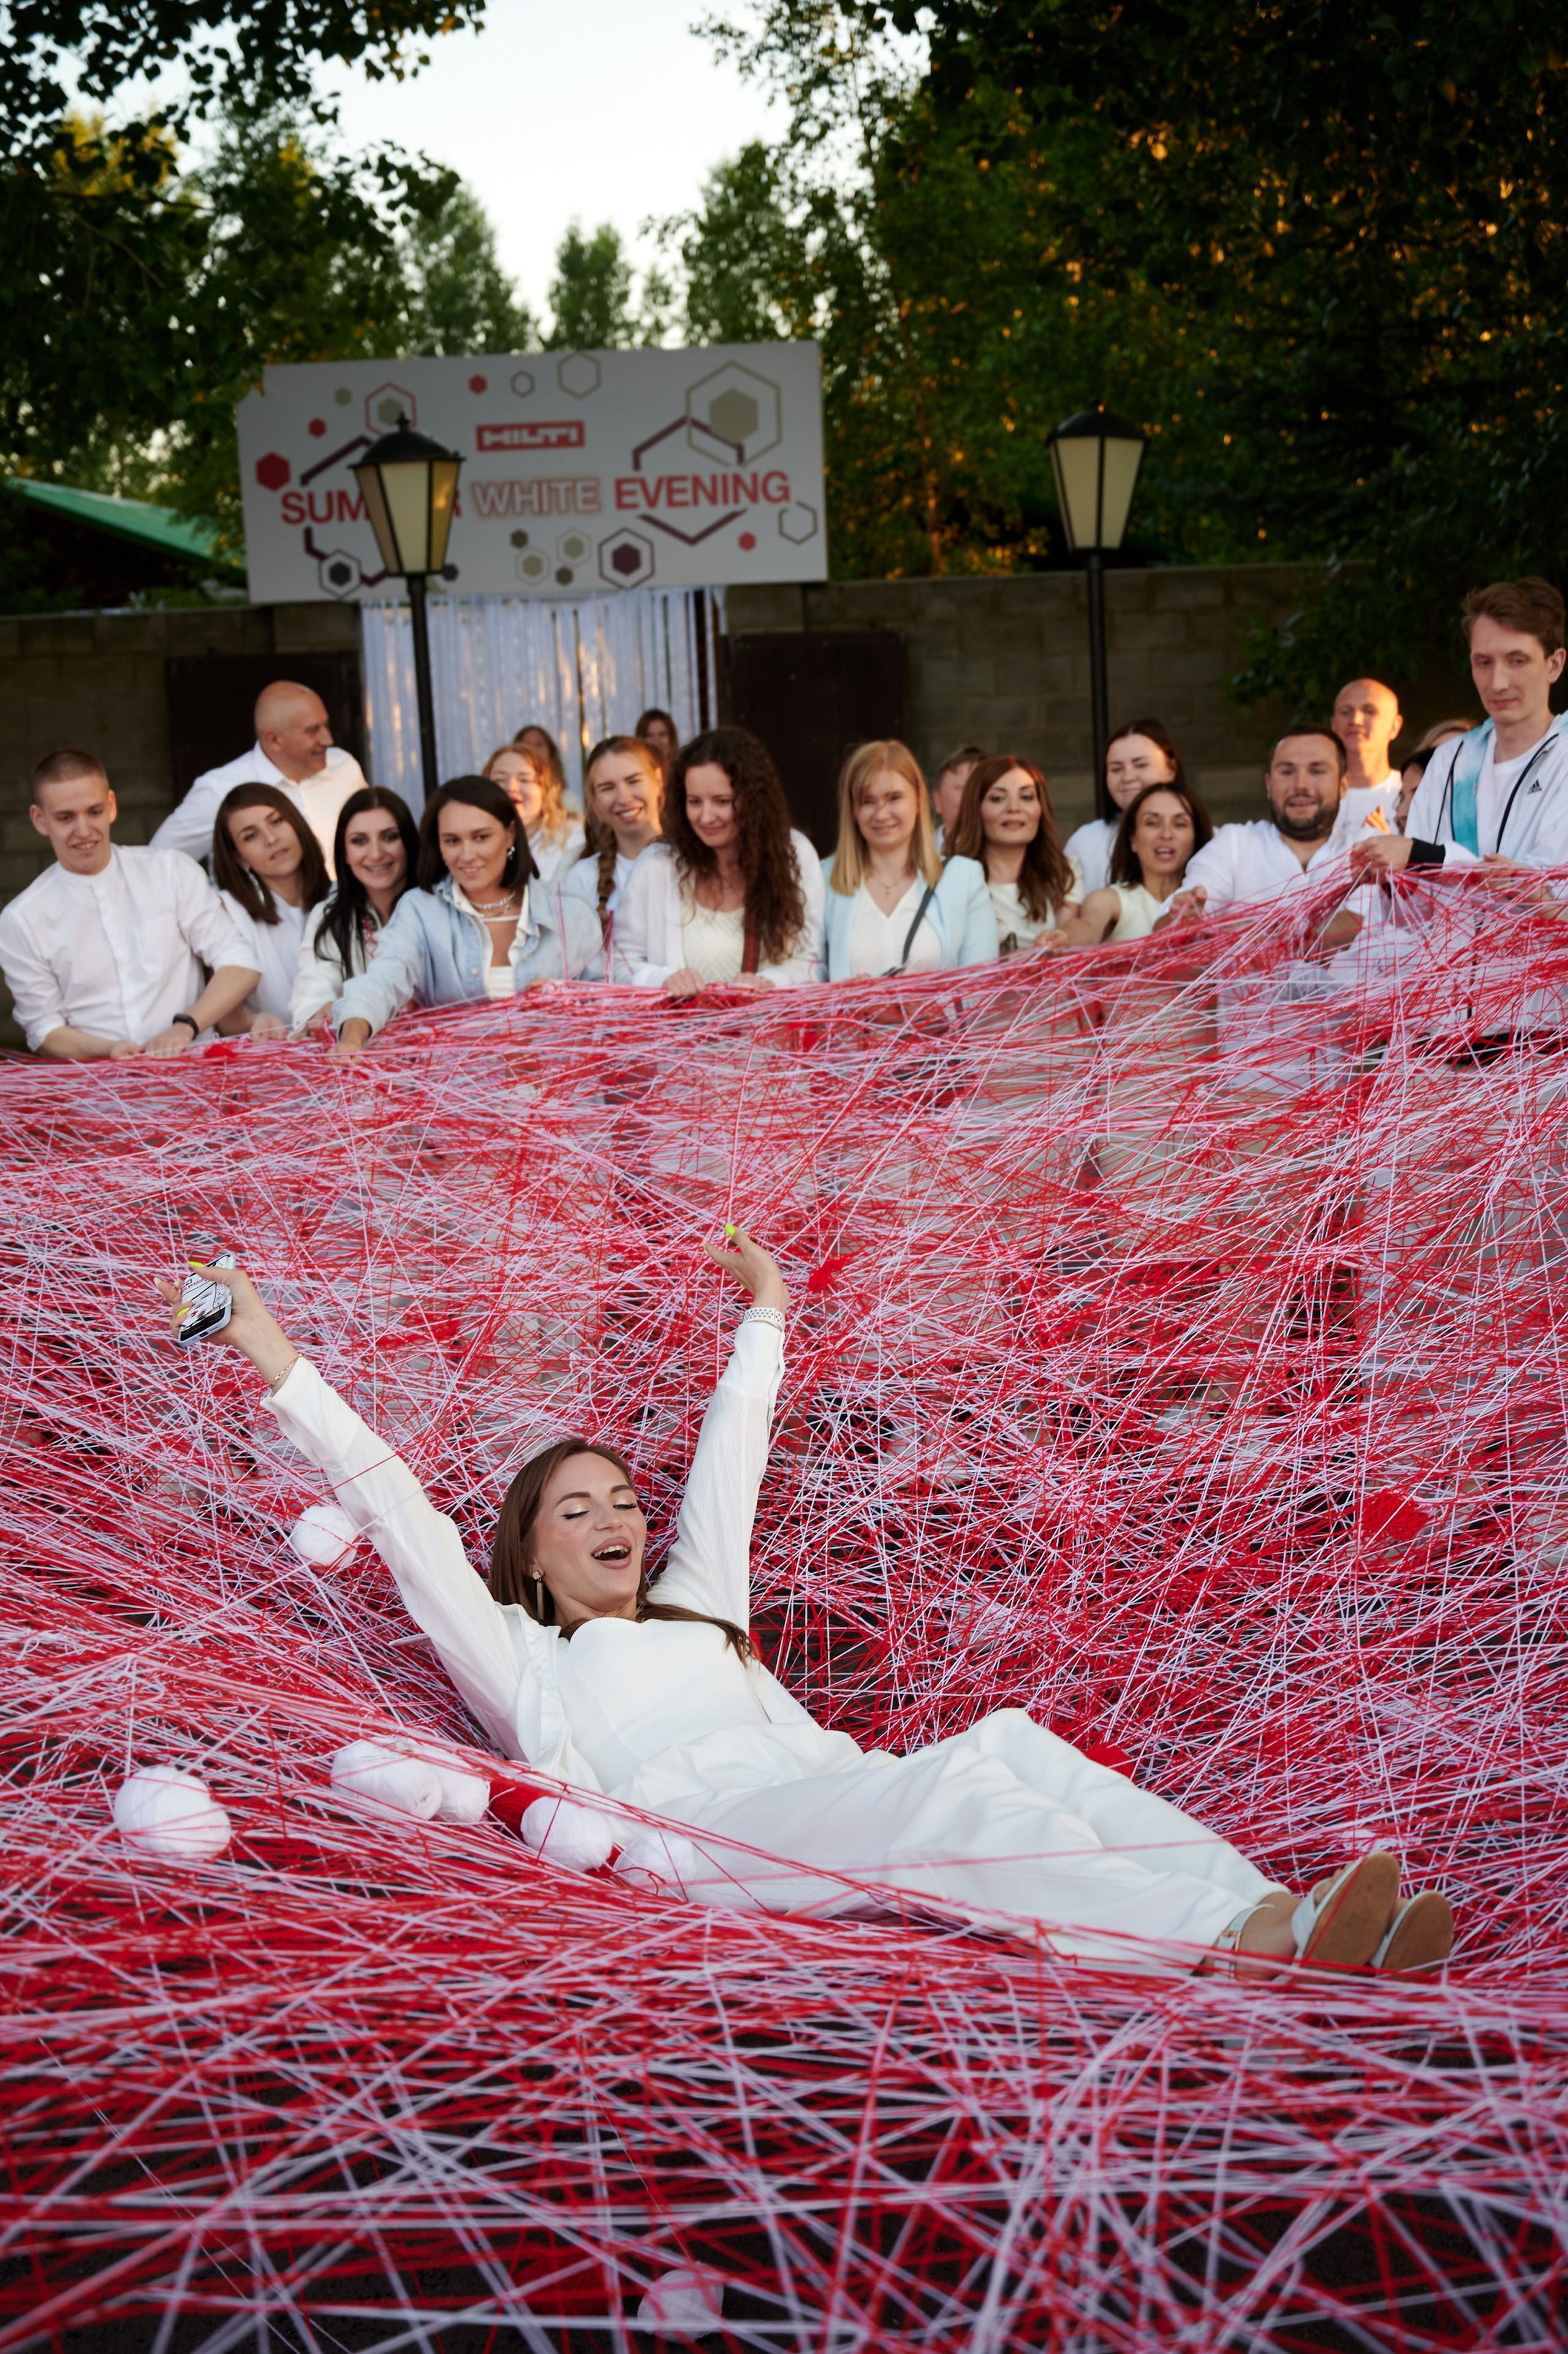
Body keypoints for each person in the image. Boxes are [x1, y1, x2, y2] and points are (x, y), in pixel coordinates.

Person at [157, 1235, 1455, 1977]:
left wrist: (766, 1315)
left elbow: (736, 1451)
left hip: (820, 1790)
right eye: (578, 1511)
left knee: (1003, 1744)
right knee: (941, 1800)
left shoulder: (695, 1606)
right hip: (706, 1842)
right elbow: (399, 1509)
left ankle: (1284, 1917)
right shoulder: (517, 1657)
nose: (616, 1519)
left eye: (620, 1499)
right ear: (530, 1559)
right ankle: (1229, 1947)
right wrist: (267, 1347)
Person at [0, 749, 258, 1059]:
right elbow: (43, 1029)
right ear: (39, 820)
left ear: (111, 806)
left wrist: (186, 1026)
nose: (83, 831)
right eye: (66, 817)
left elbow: (240, 963)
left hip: (195, 1074)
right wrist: (110, 1051)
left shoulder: (171, 870)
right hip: (100, 1094)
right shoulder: (21, 919)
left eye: (94, 812)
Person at [328, 776, 600, 1054]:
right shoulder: (420, 911)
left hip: (562, 1090)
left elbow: (611, 1008)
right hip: (459, 1090)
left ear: (510, 835)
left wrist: (568, 1002)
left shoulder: (571, 911)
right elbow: (382, 981)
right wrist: (352, 1037)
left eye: (481, 837)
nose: (467, 855)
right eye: (452, 841)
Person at [1352, 581, 1568, 882]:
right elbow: (1417, 907)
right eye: (1484, 663)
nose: (1498, 683)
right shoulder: (1448, 761)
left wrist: (1424, 858)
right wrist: (1388, 878)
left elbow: (1549, 892)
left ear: (1554, 665)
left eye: (1517, 660)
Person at [616, 727, 825, 994]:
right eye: (694, 802)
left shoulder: (794, 853)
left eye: (722, 801)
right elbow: (620, 965)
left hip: (768, 1034)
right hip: (682, 1035)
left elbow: (812, 962)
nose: (705, 817)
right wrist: (662, 980)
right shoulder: (657, 863)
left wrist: (772, 982)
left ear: (753, 800)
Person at [151, 683, 368, 875]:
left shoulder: (344, 767)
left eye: (326, 725)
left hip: (345, 916)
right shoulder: (220, 790)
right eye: (313, 731)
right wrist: (207, 908)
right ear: (274, 740)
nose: (328, 739)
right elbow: (156, 864)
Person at [823, 741, 997, 979]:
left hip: (936, 1018)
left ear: (918, 799)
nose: (881, 814)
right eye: (867, 801)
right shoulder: (823, 879)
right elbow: (810, 975)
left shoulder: (964, 877)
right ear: (853, 810)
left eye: (894, 798)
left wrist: (925, 1007)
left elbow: (982, 985)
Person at [1165, 729, 1350, 918]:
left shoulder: (1365, 848)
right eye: (1287, 772)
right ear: (1268, 785)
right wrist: (1182, 915)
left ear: (1343, 785)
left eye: (1317, 771)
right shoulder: (1233, 844)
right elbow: (1173, 923)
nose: (1301, 785)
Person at [289, 788, 420, 1038]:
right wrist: (320, 1011)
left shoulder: (437, 905)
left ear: (409, 844)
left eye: (390, 837)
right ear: (345, 854)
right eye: (359, 841)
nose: (376, 854)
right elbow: (315, 987)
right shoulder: (329, 916)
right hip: (361, 1062)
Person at [209, 785, 330, 1038]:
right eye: (250, 836)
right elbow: (227, 1019)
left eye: (276, 821)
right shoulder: (227, 911)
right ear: (240, 858)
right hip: (277, 1062)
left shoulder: (341, 897)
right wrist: (257, 1021)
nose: (271, 839)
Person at [945, 754, 1081, 952]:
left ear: (1041, 807)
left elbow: (1066, 935)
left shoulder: (1063, 871)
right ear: (975, 808)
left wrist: (1056, 941)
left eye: (1026, 797)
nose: (1014, 809)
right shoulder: (950, 876)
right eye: (997, 798)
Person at [562, 735, 665, 980]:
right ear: (594, 801)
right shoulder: (582, 877)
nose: (624, 797)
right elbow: (575, 970)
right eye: (608, 788)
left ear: (658, 781)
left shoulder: (693, 864)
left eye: (634, 781)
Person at [1066, 779, 1215, 944]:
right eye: (1152, 823)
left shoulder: (1214, 902)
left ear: (1196, 838)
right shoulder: (1110, 900)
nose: (1166, 834)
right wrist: (1063, 938)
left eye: (1180, 824)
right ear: (1133, 839)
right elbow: (1089, 926)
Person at [1065, 721, 1186, 898]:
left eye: (1141, 765)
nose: (1128, 777)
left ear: (1171, 769)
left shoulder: (1210, 839)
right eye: (1116, 769)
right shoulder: (1085, 842)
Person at [484, 743, 585, 887]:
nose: (511, 787)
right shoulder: (472, 842)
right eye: (500, 780)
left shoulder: (576, 836)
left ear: (544, 789)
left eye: (524, 779)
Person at [1328, 676, 1404, 846]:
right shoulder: (1318, 794)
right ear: (1333, 725)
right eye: (1346, 712)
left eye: (1369, 711)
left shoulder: (1412, 793)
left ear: (1395, 726)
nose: (1355, 720)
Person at [931, 744, 986, 850]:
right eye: (963, 788)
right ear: (937, 800)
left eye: (982, 789)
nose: (974, 797)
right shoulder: (915, 856)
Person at [635, 708, 679, 777]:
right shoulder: (634, 773)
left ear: (672, 738)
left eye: (662, 734)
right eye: (649, 735)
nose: (657, 741)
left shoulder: (682, 773)